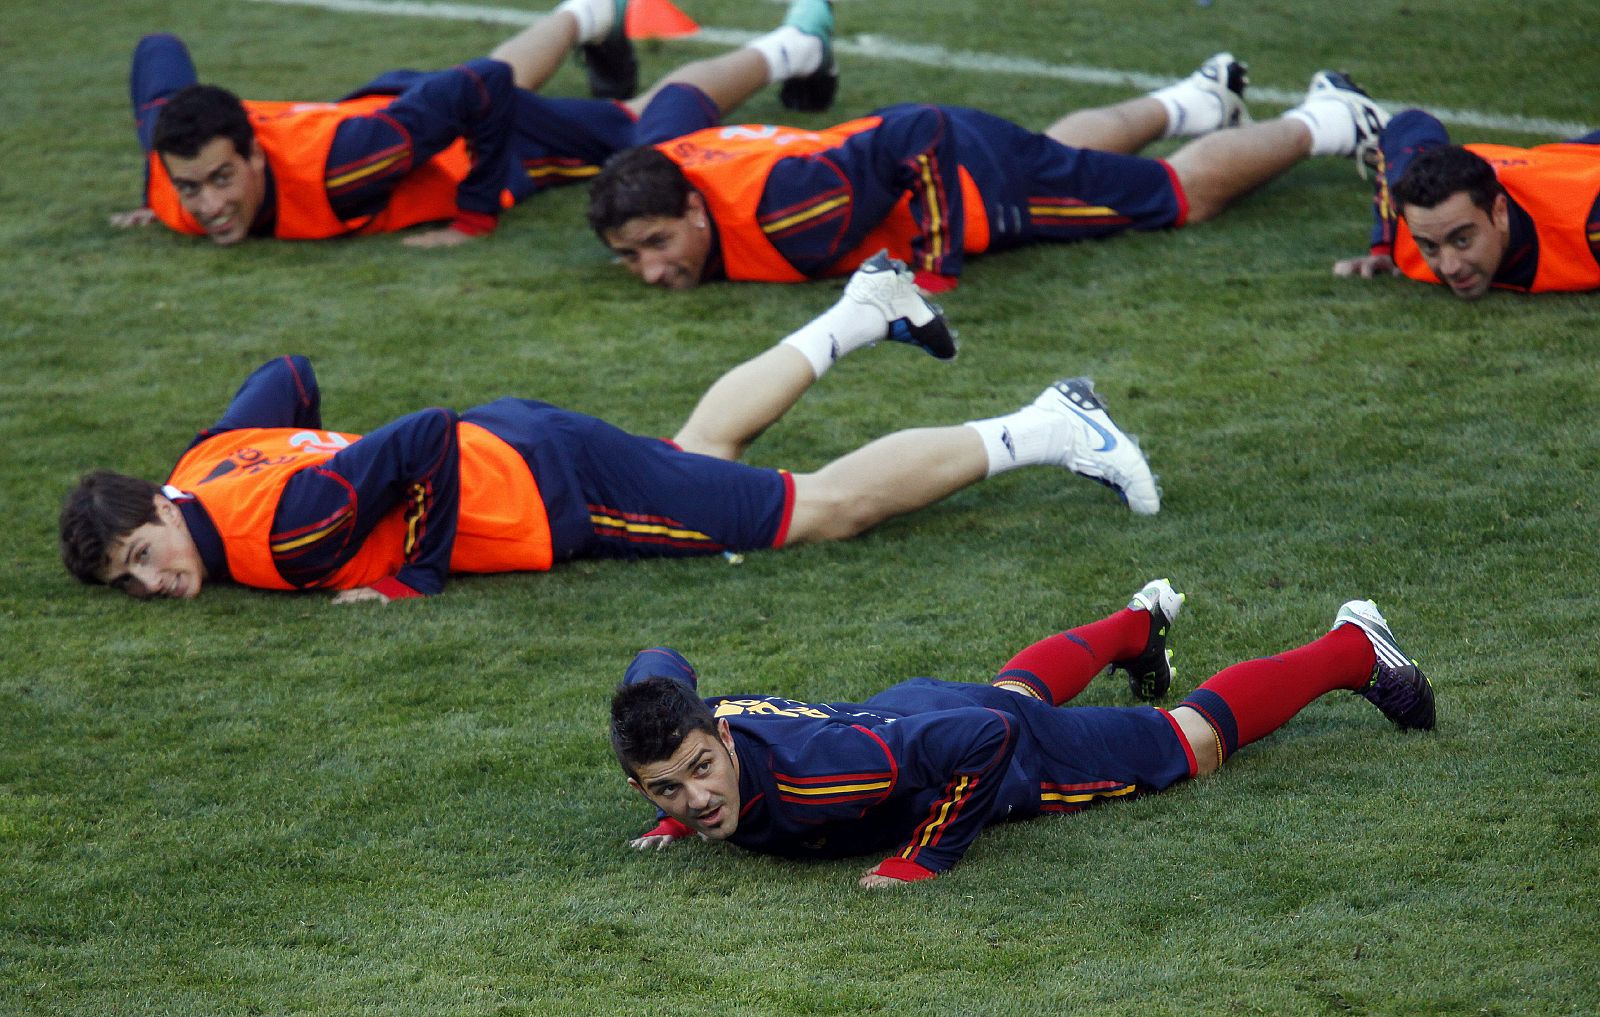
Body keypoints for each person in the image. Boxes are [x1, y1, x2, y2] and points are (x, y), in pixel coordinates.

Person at [58, 255, 1162, 603]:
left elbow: (423, 434)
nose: (154, 581)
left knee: (814, 513)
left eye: (145, 553)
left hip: (550, 486)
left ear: (162, 507)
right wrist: (326, 448)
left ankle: (1047, 426)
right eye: (130, 578)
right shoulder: (203, 464)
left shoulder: (280, 540)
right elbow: (286, 374)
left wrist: (415, 576)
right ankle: (861, 310)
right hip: (529, 446)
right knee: (698, 463)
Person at [609, 580, 1436, 888]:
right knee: (1010, 691)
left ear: (719, 730)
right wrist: (674, 813)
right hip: (904, 710)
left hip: (984, 751)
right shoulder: (672, 718)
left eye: (701, 770)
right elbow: (656, 663)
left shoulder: (825, 777)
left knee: (1188, 743)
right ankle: (1137, 625)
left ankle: (1353, 645)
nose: (700, 793)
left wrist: (924, 855)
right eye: (669, 786)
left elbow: (978, 739)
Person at [586, 57, 1390, 290]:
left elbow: (920, 132)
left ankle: (1327, 118)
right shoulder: (655, 154)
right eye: (629, 256)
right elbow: (682, 91)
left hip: (971, 181)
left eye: (656, 244)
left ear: (696, 207)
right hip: (938, 148)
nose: (650, 270)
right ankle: (1196, 100)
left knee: (1176, 198)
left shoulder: (785, 216)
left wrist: (934, 271)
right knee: (1058, 153)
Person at [112, 0, 838, 247]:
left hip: (468, 138)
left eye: (220, 179)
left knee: (636, 137)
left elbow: (485, 88)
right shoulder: (168, 158)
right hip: (403, 112)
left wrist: (475, 217)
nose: (205, 206)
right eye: (189, 188)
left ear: (257, 158)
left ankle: (797, 43)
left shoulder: (345, 168)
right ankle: (589, 14)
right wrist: (159, 195)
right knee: (475, 85)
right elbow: (157, 48)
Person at [1332, 109, 1600, 299]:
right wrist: (1384, 245)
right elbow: (1410, 123)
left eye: (1462, 241)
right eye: (1430, 246)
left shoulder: (1586, 225)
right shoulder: (1410, 216)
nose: (1449, 267)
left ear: (1500, 212)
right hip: (1559, 163)